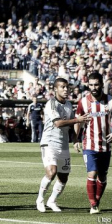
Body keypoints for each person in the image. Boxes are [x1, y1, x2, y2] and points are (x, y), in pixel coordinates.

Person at [36, 77, 91, 213]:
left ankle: (52, 200)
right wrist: (77, 119)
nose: (66, 90)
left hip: (63, 144)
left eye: (67, 87)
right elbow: (58, 123)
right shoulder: (51, 104)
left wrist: (75, 140)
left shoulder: (68, 105)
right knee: (52, 172)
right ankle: (40, 199)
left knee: (64, 177)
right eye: (62, 87)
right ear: (56, 89)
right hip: (49, 142)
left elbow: (71, 125)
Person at [74, 72, 112, 214]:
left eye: (96, 84)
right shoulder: (83, 102)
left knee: (103, 176)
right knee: (92, 174)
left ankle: (97, 199)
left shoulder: (110, 100)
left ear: (101, 84)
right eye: (91, 85)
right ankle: (93, 205)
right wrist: (76, 138)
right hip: (89, 144)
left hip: (106, 145)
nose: (93, 87)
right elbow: (77, 121)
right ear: (88, 85)